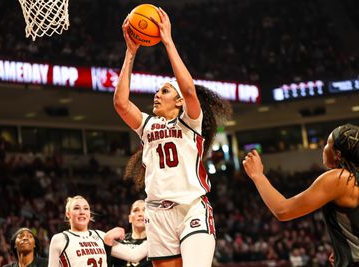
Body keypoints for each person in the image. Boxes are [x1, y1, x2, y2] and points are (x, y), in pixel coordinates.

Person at [114, 7, 232, 267]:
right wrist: (130, 53)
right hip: (156, 213)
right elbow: (121, 104)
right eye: (157, 91)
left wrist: (167, 42)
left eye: (165, 90)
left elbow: (189, 88)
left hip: (191, 208)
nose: (157, 95)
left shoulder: (191, 121)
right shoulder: (148, 125)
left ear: (179, 101)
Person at [242, 123, 359, 267]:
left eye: (328, 144)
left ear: (338, 154)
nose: (323, 148)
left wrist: (257, 175)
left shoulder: (339, 179)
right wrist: (343, 248)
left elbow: (283, 210)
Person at [47, 195, 147, 267]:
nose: (82, 212)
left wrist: (159, 234)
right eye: (76, 208)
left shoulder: (101, 236)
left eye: (86, 208)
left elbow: (134, 255)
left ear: (89, 214)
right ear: (68, 214)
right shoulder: (60, 239)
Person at [111, 200, 152, 267]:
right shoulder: (119, 241)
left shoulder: (156, 242)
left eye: (145, 210)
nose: (140, 214)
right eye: (136, 210)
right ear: (130, 218)